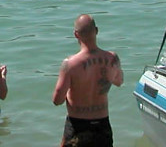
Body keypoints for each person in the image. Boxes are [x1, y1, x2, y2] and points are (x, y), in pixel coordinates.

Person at [52, 15, 123, 147]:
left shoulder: (70, 64)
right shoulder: (112, 58)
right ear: (96, 30)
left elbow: (57, 100)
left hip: (77, 126)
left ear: (76, 34)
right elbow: (119, 81)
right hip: (102, 125)